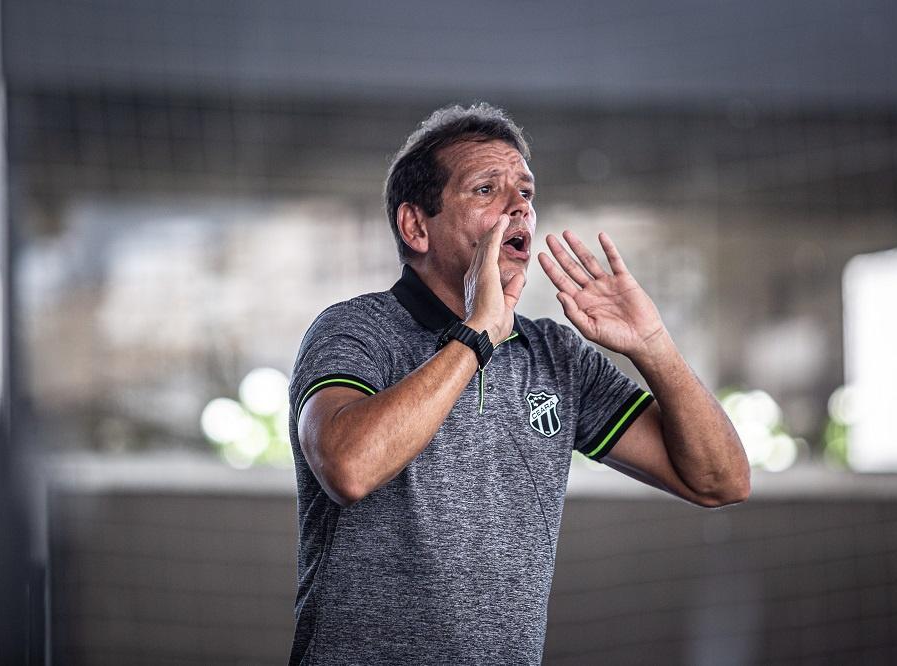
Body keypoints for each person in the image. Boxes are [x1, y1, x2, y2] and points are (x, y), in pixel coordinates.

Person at [287, 103, 750, 665]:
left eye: (526, 193)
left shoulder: (555, 354)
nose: (519, 209)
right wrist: (478, 332)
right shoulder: (356, 330)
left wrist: (652, 345)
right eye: (487, 190)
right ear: (416, 226)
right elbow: (349, 467)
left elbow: (719, 482)